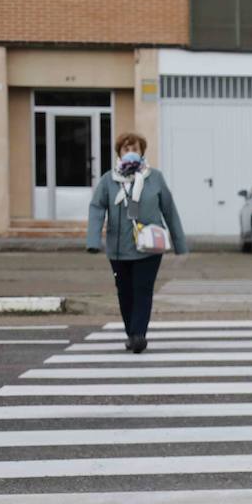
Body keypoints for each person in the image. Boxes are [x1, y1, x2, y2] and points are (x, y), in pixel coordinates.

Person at [85, 132, 188, 353]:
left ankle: (139, 334)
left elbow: (169, 209)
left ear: (142, 152)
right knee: (125, 292)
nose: (130, 152)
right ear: (119, 153)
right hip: (118, 250)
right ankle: (131, 333)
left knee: (143, 289)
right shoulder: (108, 180)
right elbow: (96, 208)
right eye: (126, 149)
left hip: (149, 247)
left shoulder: (155, 178)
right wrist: (93, 240)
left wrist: (180, 243)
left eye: (135, 148)